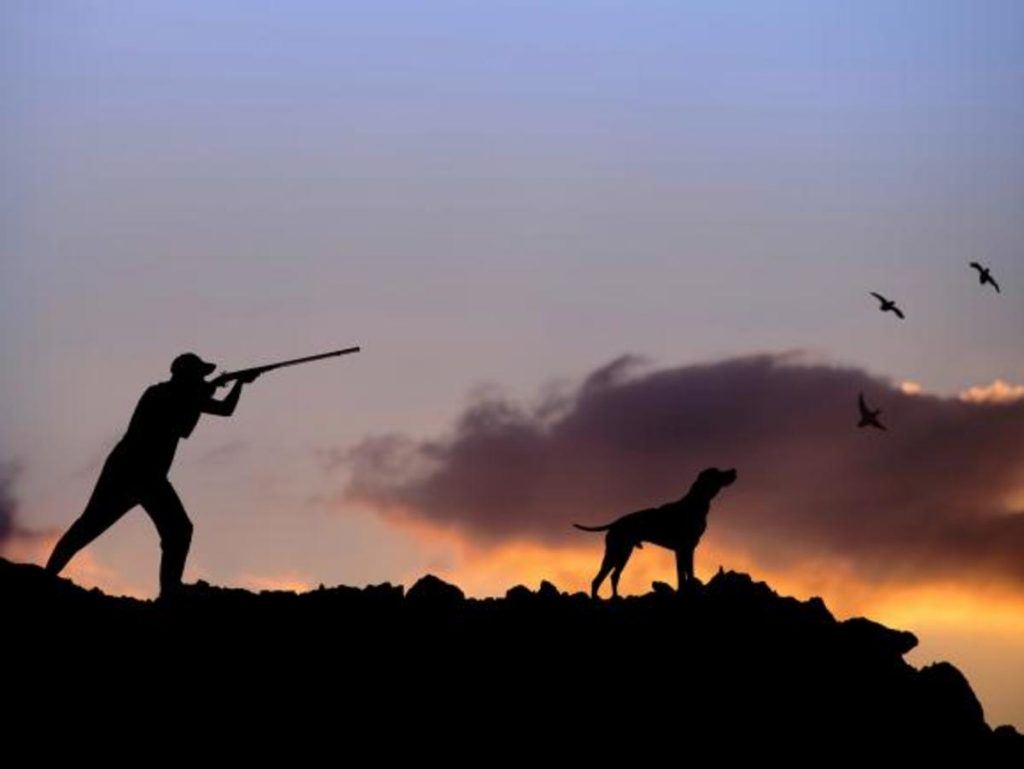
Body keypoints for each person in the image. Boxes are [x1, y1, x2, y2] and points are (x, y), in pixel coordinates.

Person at [46, 352, 258, 596]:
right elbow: (185, 422)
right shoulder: (159, 394)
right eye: (198, 376)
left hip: (145, 474)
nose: (201, 380)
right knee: (92, 526)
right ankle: (47, 577)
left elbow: (224, 409)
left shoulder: (183, 396)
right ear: (186, 376)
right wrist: (213, 388)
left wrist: (239, 384)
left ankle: (170, 590)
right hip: (133, 471)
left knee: (176, 530)